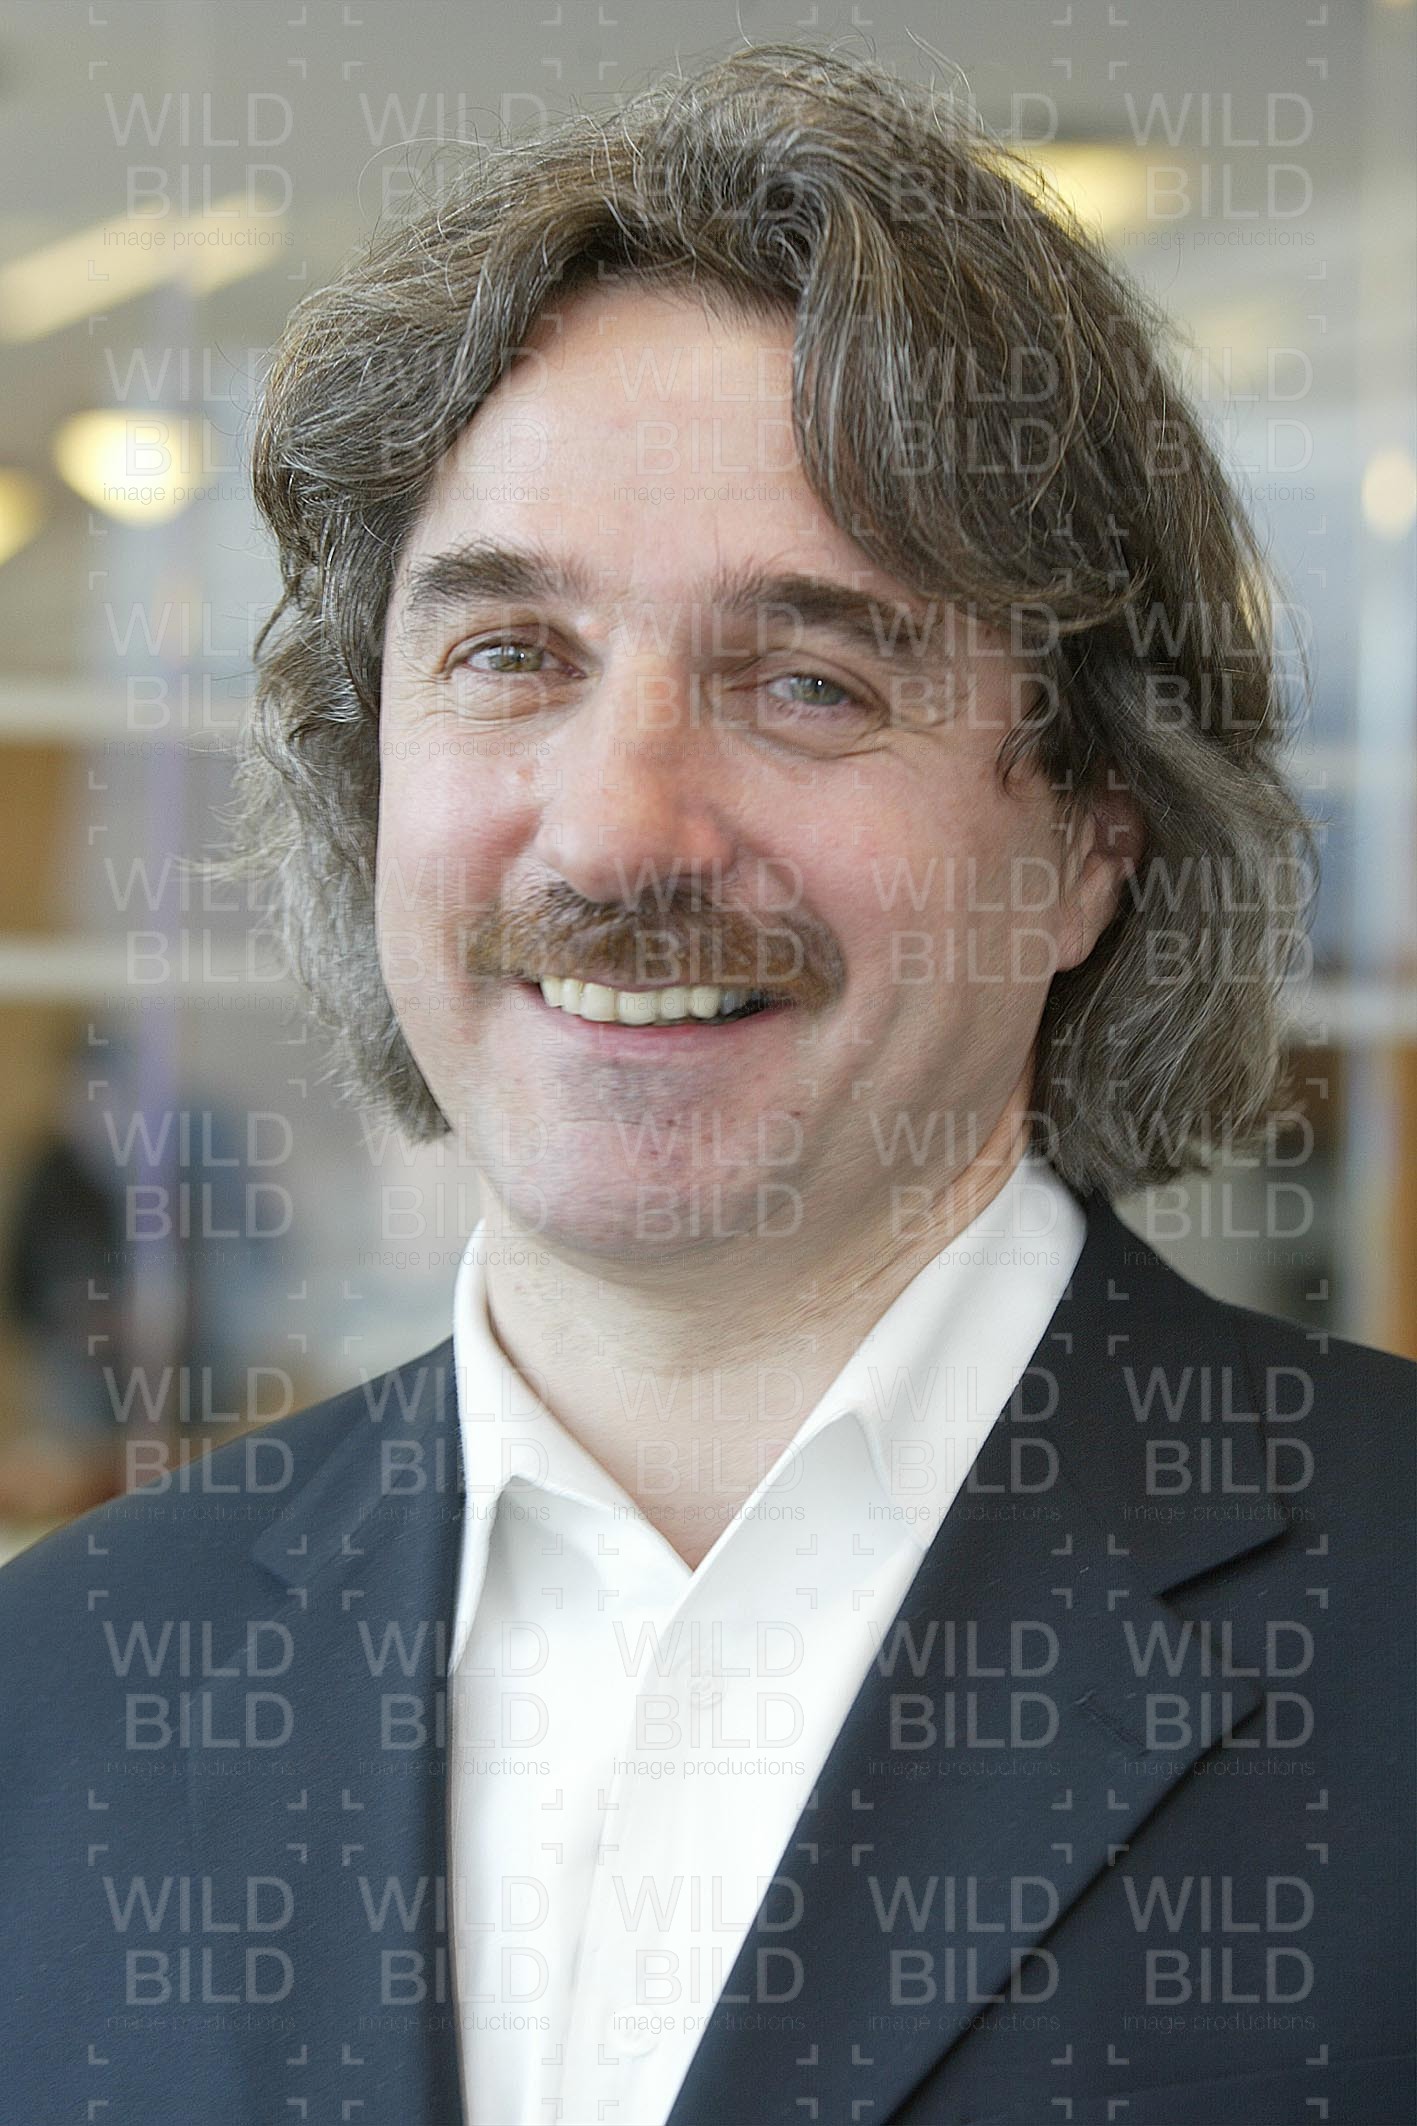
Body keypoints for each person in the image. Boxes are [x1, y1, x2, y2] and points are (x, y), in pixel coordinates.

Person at [1, 42, 1412, 2126]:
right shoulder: (63, 1688)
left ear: (1089, 841)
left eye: (807, 680)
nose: (615, 830)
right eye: (510, 655)